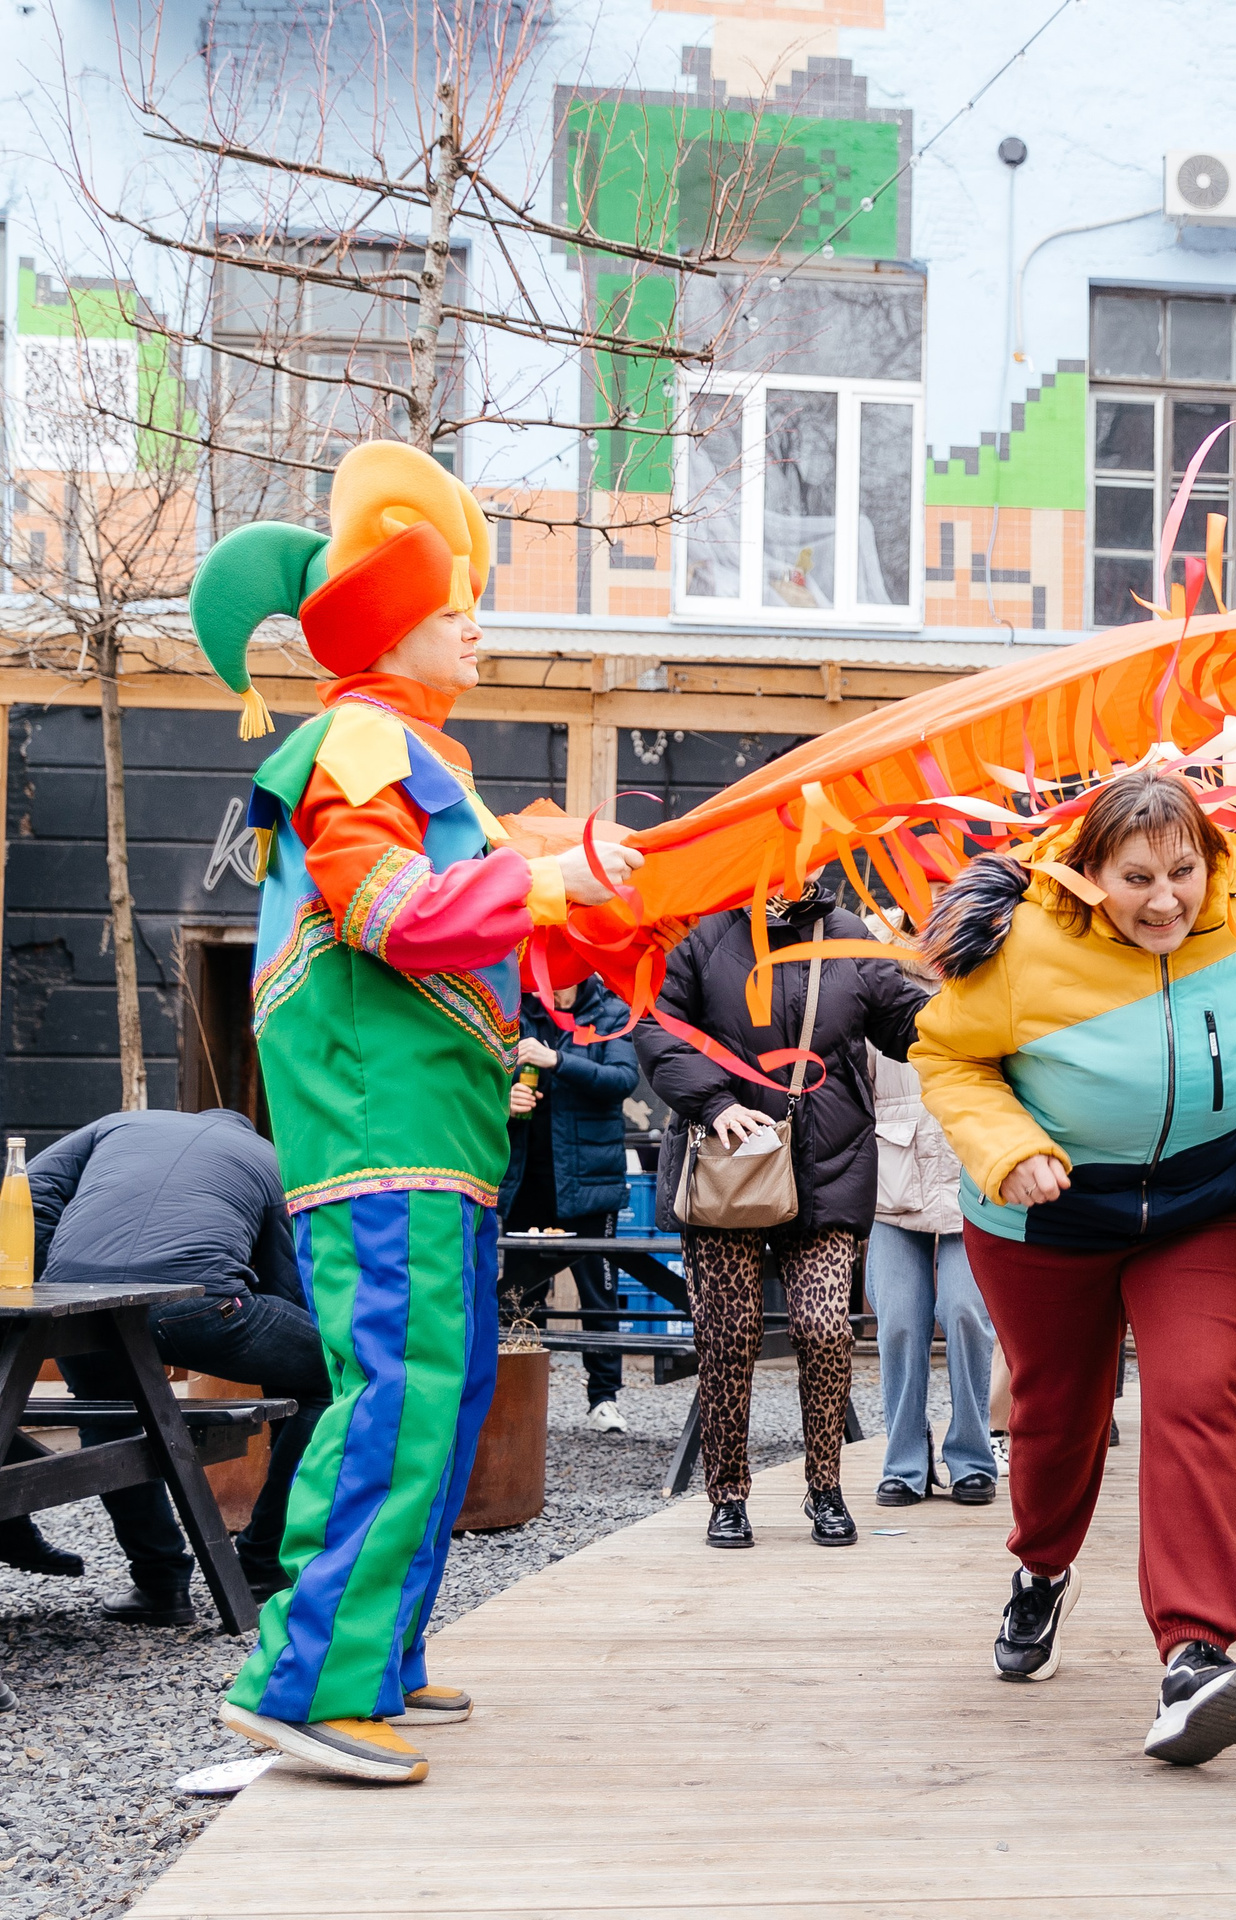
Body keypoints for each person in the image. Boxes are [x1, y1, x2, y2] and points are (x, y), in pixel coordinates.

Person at [185, 440, 644, 1784]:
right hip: (384, 1133)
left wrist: (561, 892)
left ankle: (373, 1659)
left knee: (428, 1397)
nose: (479, 624)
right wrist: (549, 890)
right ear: (392, 627)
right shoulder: (363, 740)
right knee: (398, 1392)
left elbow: (473, 924)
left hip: (426, 1132)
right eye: (457, 607)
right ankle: (306, 1679)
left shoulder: (408, 749)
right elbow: (390, 914)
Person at [914, 771, 1236, 1768]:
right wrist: (1007, 1145)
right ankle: (1040, 1571)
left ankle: (1196, 1655)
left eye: (1183, 872)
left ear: (1213, 861)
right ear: (1086, 873)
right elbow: (947, 1057)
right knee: (1056, 1414)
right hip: (1049, 1207)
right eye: (1136, 877)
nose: (1164, 900)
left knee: (1200, 1395)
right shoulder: (1022, 943)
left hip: (1210, 1204)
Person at [635, 879, 932, 1551]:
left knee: (827, 1329)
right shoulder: (701, 934)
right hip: (728, 1164)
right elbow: (655, 1025)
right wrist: (713, 1103)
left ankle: (824, 1486)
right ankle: (728, 1496)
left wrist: (970, 999)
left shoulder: (850, 933)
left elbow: (905, 1024)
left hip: (830, 1160)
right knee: (727, 1334)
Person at [34, 1110, 332, 1622]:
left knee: (107, 1419)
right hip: (200, 1306)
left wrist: (49, 1298)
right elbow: (286, 1284)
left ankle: (161, 1586)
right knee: (327, 1380)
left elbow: (30, 1192)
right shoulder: (270, 1159)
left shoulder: (116, 1125)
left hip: (80, 1307)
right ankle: (263, 1563)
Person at [497, 976, 640, 1433]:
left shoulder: (611, 1014)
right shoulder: (516, 1014)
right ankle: (515, 1396)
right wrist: (508, 1099)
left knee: (598, 1294)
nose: (549, 990)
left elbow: (622, 1078)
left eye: (558, 981)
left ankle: (604, 1398)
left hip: (590, 1183)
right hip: (527, 1181)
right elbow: (485, 1077)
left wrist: (557, 1060)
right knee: (520, 1294)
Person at [868, 1040, 999, 1508]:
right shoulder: (877, 986)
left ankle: (971, 1458)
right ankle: (905, 1461)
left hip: (973, 1186)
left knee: (966, 1312)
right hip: (893, 1186)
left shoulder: (982, 981)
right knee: (900, 1320)